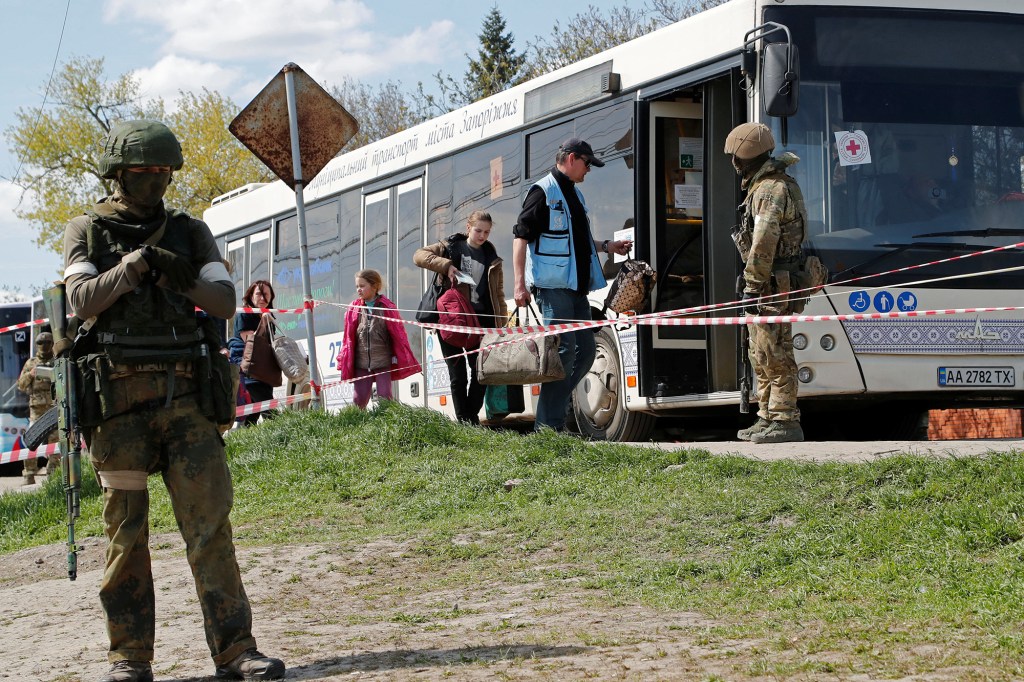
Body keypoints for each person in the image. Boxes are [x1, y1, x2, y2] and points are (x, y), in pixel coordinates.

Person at [61, 120, 284, 681]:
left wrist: (177, 276)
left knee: (211, 530)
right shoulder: (86, 230)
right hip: (118, 409)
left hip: (186, 401)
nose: (156, 182)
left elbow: (226, 302)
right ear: (118, 173)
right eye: (144, 172)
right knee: (126, 537)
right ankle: (129, 657)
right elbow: (83, 301)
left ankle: (236, 652)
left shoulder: (191, 232)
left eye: (164, 172)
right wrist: (137, 266)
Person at [512, 138, 632, 431]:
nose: (589, 170)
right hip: (552, 288)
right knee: (564, 352)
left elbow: (575, 242)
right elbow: (520, 237)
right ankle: (547, 425)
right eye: (588, 163)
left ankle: (551, 418)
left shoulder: (575, 196)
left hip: (577, 289)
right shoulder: (542, 191)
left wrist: (607, 245)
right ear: (572, 158)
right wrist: (518, 283)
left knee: (586, 352)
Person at [726, 122, 807, 444]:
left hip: (773, 284)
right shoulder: (767, 186)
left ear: (742, 158)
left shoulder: (771, 189)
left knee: (775, 353)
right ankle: (767, 416)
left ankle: (786, 421)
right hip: (771, 282)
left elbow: (763, 242)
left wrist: (751, 285)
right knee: (760, 352)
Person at [414, 210, 508, 424]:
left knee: (481, 372)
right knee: (457, 376)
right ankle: (465, 422)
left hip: (481, 322)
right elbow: (419, 255)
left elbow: (498, 294)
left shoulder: (491, 256)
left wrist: (501, 325)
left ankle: (469, 418)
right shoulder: (450, 246)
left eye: (486, 232)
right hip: (451, 320)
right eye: (478, 230)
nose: (482, 236)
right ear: (468, 227)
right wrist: (446, 265)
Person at [336, 269, 420, 409]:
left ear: (374, 286)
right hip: (361, 363)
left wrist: (398, 356)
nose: (359, 289)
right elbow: (348, 339)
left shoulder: (387, 307)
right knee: (359, 399)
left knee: (385, 397)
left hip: (382, 362)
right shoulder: (353, 308)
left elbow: (398, 335)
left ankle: (386, 425)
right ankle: (357, 426)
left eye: (362, 286)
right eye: (357, 286)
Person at [228, 280, 279, 426]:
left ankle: (247, 438)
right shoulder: (244, 314)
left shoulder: (268, 315)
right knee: (267, 405)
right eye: (259, 294)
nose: (263, 298)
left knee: (253, 413)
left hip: (263, 366)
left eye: (266, 295)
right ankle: (282, 432)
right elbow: (251, 341)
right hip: (248, 365)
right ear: (250, 295)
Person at [16, 331, 58, 484]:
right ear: (36, 345)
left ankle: (53, 474)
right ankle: (29, 474)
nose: (44, 346)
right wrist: (31, 374)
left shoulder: (57, 361)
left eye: (47, 342)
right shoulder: (30, 363)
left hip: (54, 408)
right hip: (37, 410)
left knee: (56, 443)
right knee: (31, 440)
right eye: (41, 343)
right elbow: (20, 385)